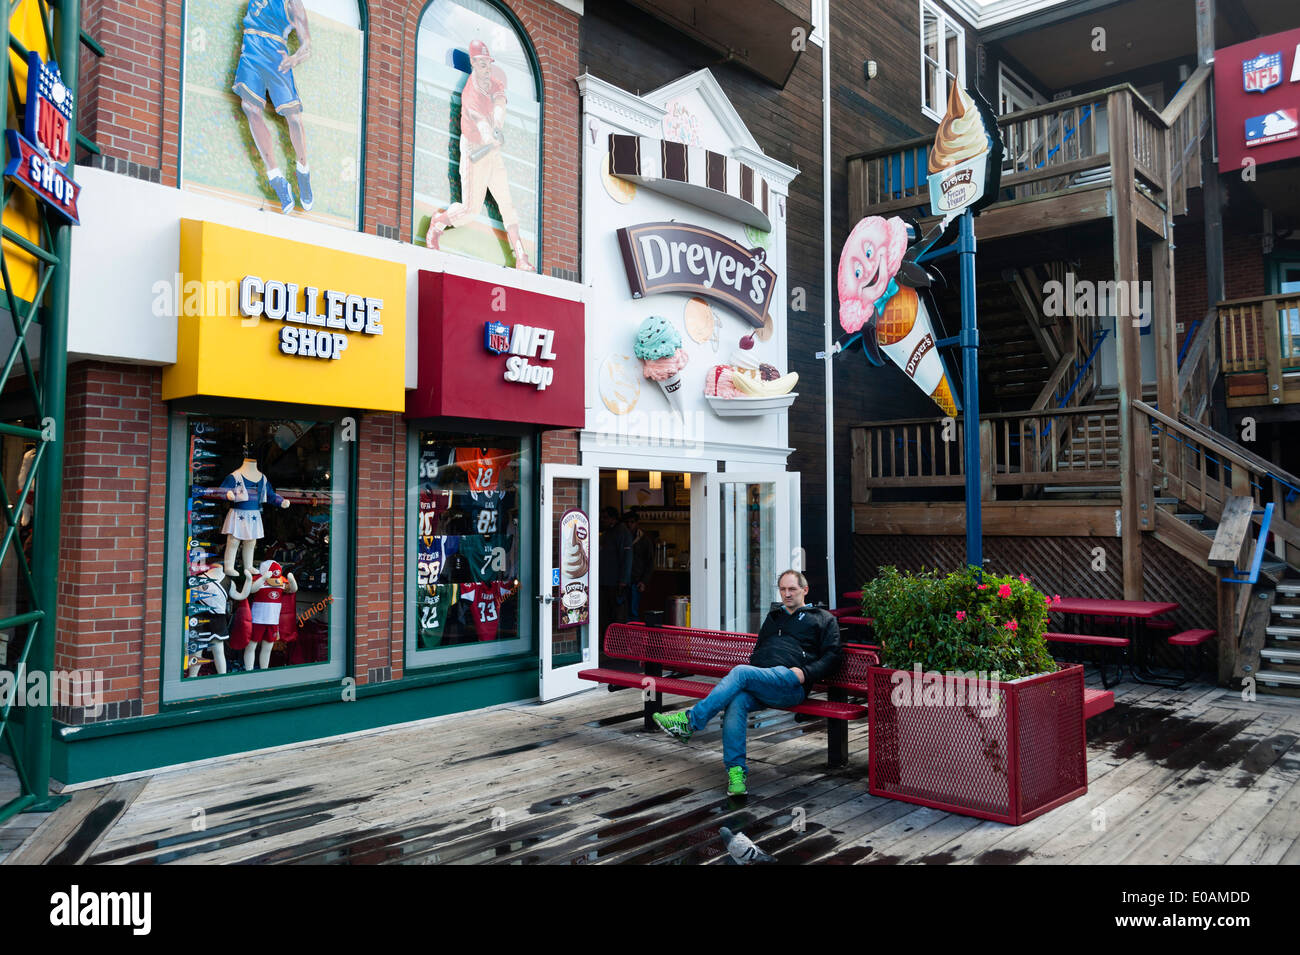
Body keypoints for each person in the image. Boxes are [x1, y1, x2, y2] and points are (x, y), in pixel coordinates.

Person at [653, 569, 841, 796]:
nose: (787, 594)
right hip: (763, 680)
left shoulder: (822, 618)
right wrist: (759, 668)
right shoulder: (774, 617)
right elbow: (760, 648)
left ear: (805, 590)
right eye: (783, 589)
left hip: (791, 684)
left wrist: (804, 674)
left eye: (792, 589)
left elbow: (832, 657)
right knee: (737, 701)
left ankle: (691, 722)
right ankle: (736, 773)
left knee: (741, 673)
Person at [424, 40, 535, 271]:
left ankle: (521, 256)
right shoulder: (470, 91)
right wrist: (490, 133)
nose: (486, 68)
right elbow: (480, 124)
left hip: (492, 152)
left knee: (507, 204)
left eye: (488, 63)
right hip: (475, 148)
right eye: (482, 63)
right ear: (474, 63)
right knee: (470, 210)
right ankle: (438, 223)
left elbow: (500, 104)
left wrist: (498, 126)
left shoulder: (493, 83)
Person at [232, 0, 314, 215]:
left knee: (294, 118)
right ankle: (276, 177)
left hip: (277, 57)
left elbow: (307, 46)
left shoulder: (294, 4)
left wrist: (294, 59)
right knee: (250, 107)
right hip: (251, 49)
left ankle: (303, 170)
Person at [626, 509, 654, 620]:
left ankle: (633, 635)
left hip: (636, 580)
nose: (629, 525)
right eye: (627, 522)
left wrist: (644, 581)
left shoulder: (645, 540)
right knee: (623, 611)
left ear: (637, 523)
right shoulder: (623, 537)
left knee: (633, 611)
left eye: (632, 522)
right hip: (623, 580)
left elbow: (650, 562)